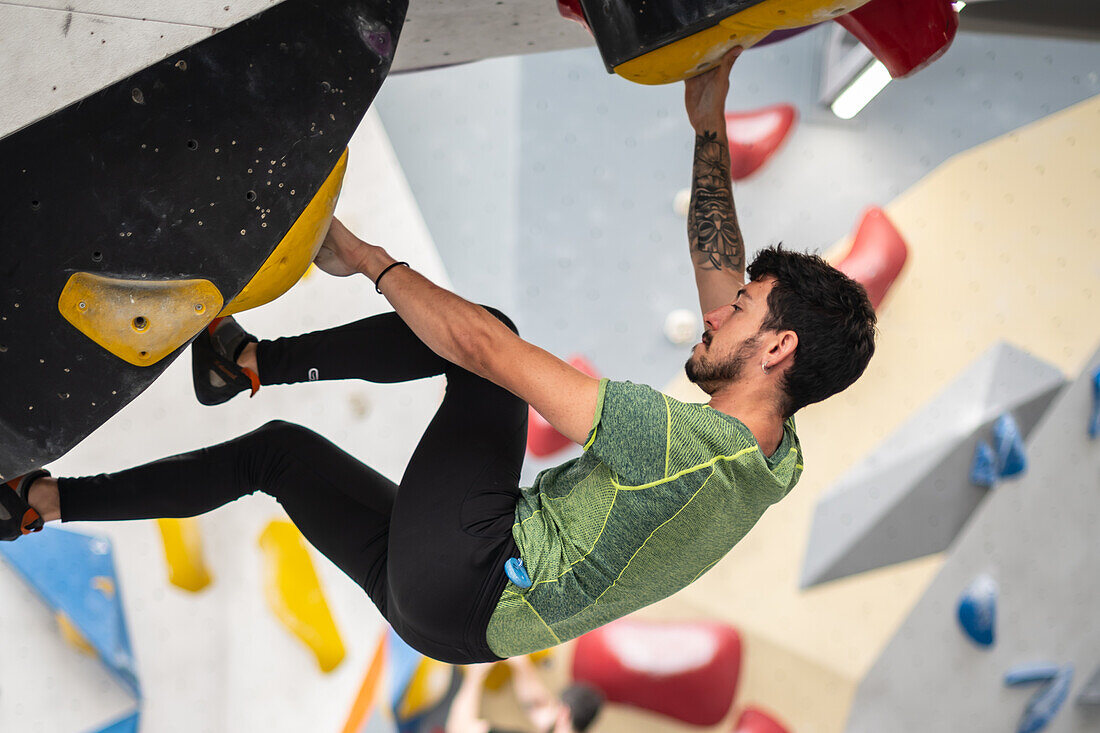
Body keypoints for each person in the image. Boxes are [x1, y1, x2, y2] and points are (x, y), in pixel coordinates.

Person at [2, 50, 876, 663]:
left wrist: (366, 258)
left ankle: (251, 363)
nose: (716, 311)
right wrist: (708, 125)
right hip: (453, 627)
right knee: (277, 457)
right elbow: (723, 271)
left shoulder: (673, 448)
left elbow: (484, 349)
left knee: (485, 340)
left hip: (472, 572)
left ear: (779, 345)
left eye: (742, 311)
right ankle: (37, 500)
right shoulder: (775, 459)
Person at [446, 657, 603, 733]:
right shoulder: (558, 724)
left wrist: (474, 678)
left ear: (564, 713)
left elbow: (460, 729)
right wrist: (520, 664)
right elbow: (534, 704)